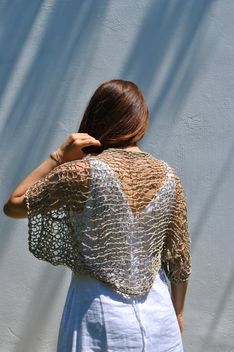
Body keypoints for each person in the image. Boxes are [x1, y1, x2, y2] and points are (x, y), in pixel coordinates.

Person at [3, 79, 191, 352]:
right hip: (160, 318)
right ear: (140, 120)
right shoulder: (169, 176)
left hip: (98, 318)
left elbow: (14, 205)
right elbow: (180, 254)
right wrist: (179, 313)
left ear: (97, 117)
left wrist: (57, 156)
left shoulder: (82, 173)